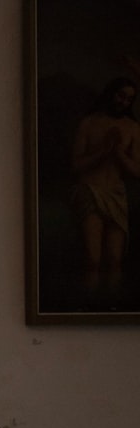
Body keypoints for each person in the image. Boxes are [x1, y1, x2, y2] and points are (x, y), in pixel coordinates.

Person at [70, 77, 140, 303]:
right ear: (111, 93)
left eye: (129, 99)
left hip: (116, 195)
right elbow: (76, 165)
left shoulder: (133, 128)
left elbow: (137, 170)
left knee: (114, 259)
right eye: (121, 96)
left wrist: (118, 152)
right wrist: (103, 150)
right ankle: (90, 306)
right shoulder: (89, 123)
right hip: (90, 191)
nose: (124, 102)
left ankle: (110, 307)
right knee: (93, 259)